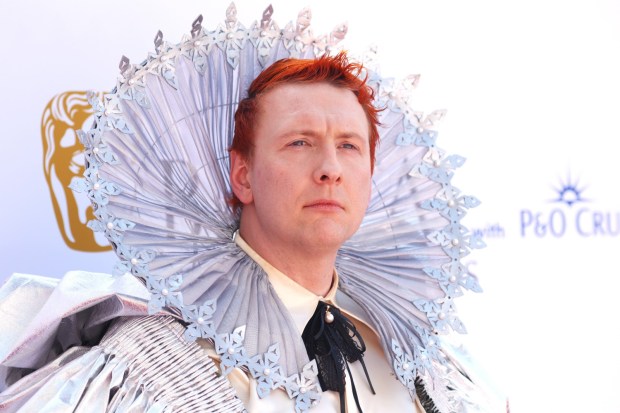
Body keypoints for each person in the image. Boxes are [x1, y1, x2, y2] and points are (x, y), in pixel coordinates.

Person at [0, 5, 503, 413]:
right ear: (243, 175)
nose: (330, 168)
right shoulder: (147, 366)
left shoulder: (424, 364)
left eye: (349, 146)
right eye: (300, 143)